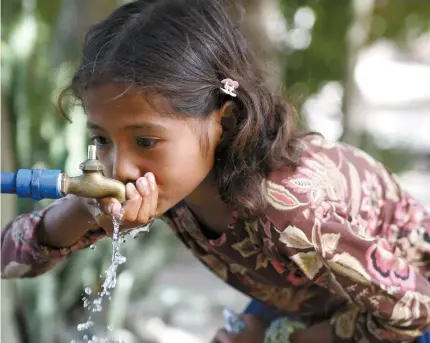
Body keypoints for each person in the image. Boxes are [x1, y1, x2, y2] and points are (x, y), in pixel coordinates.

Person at [1, 0, 429, 342]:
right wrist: (82, 210)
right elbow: (10, 260)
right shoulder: (174, 181)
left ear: (222, 121)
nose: (121, 167)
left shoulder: (289, 209)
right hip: (320, 292)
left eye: (145, 141)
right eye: (102, 139)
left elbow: (413, 310)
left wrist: (287, 337)